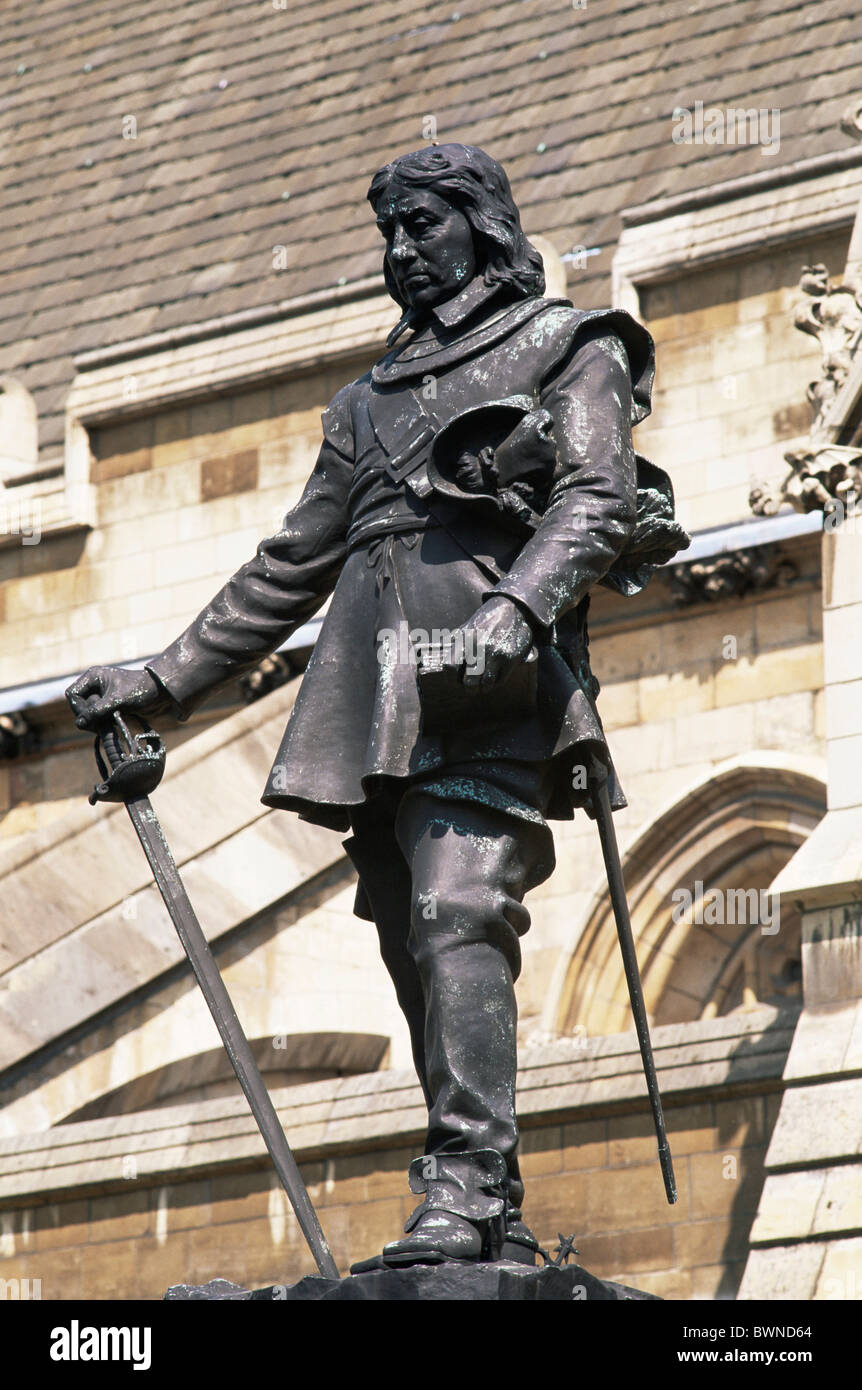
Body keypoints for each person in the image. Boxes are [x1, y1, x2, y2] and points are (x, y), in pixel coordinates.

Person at [67, 143, 685, 1271]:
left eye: (421, 226)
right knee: (412, 934)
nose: (400, 251)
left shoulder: (568, 343)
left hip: (485, 671)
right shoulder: (366, 402)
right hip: (373, 684)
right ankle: (479, 1193)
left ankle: (462, 1185)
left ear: (480, 225)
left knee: (461, 905)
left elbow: (596, 495)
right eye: (388, 232)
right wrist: (161, 678)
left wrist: (518, 607)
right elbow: (289, 563)